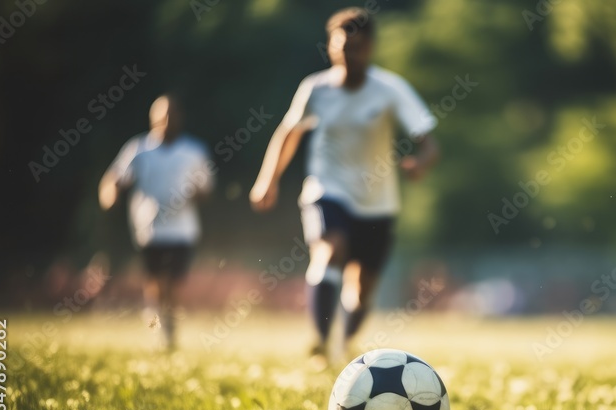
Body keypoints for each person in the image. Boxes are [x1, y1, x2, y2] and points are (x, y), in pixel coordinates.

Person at [249, 7, 439, 363]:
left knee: (362, 289)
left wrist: (420, 163)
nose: (348, 55)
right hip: (327, 189)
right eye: (341, 47)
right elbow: (289, 133)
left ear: (369, 48)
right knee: (330, 248)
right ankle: (322, 339)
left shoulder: (390, 89)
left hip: (377, 202)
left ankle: (342, 343)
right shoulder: (315, 89)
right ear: (331, 47)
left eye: (356, 48)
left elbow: (429, 142)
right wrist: (268, 179)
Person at [99, 94, 215, 350]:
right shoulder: (138, 149)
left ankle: (168, 328)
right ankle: (159, 326)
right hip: (149, 228)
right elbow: (114, 178)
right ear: (153, 118)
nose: (167, 121)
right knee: (155, 281)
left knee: (173, 283)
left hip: (183, 230)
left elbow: (207, 189)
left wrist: (197, 192)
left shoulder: (194, 151)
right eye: (163, 116)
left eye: (172, 116)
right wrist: (110, 194)